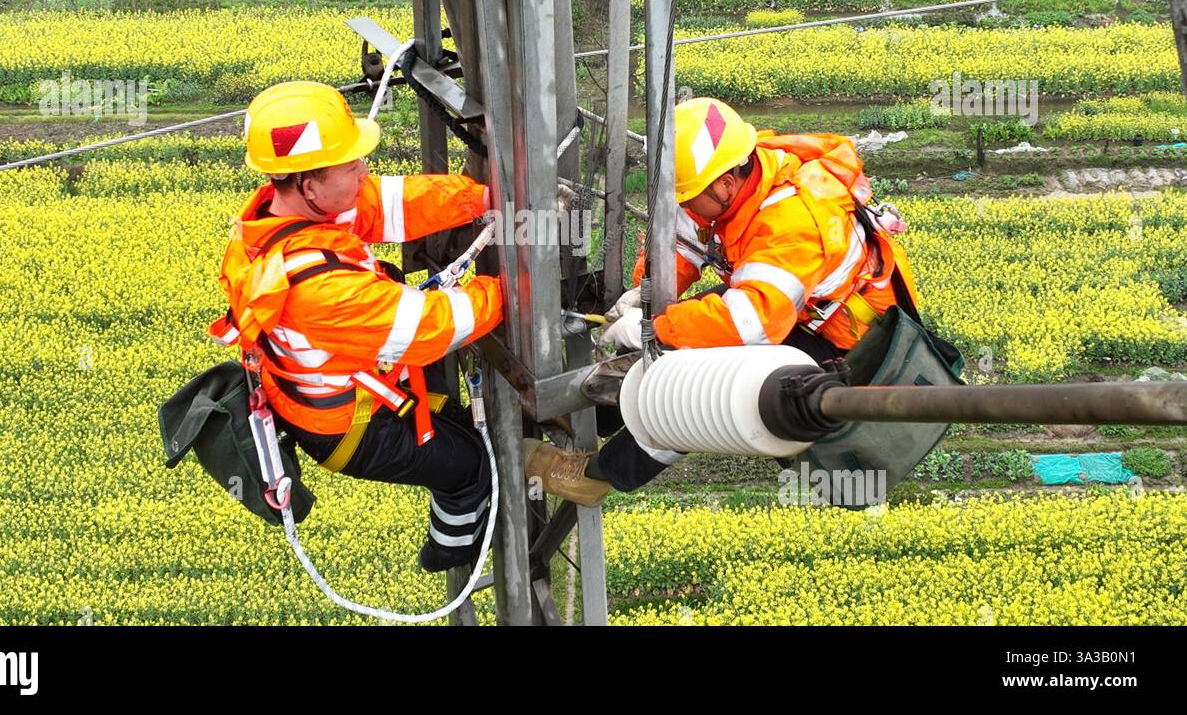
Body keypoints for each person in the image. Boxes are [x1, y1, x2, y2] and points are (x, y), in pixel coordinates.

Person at [525, 96, 927, 505]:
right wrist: (643, 293)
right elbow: (684, 235)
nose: (680, 204)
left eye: (685, 195)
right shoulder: (733, 171)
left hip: (842, 343)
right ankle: (600, 411)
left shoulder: (792, 222)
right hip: (788, 307)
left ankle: (596, 476)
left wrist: (653, 327)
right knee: (679, 332)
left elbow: (750, 322)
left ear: (724, 185)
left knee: (693, 390)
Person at [209, 80, 504, 571]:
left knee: (457, 426)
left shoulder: (285, 217)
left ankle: (460, 525)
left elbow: (391, 204)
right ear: (308, 184)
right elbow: (429, 328)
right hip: (348, 429)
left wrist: (481, 198)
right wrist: (511, 291)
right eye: (351, 165)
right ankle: (450, 552)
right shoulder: (316, 288)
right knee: (473, 466)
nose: (363, 171)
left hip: (350, 393)